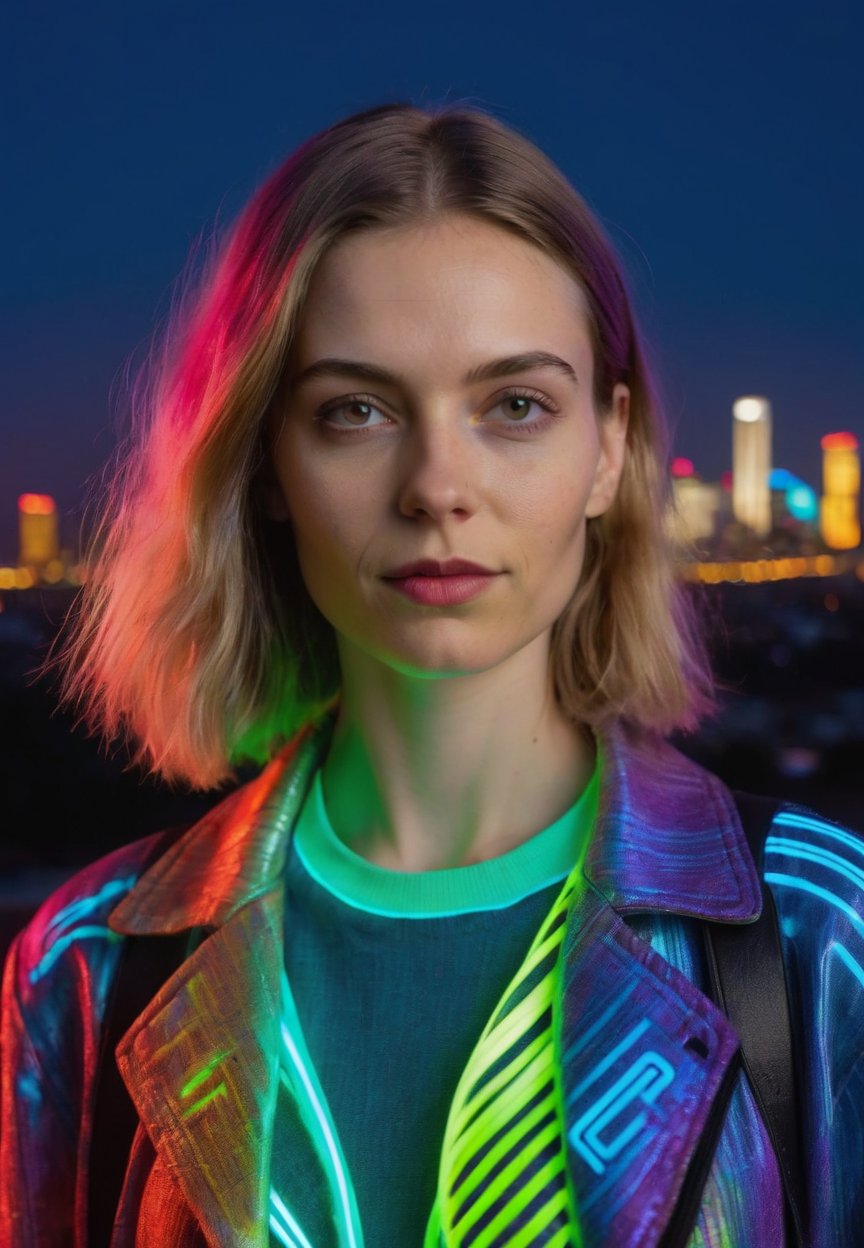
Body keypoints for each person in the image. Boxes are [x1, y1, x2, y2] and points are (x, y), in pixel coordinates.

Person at [1, 100, 861, 1248]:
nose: (436, 486)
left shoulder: (818, 934)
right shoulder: (87, 967)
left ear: (607, 449)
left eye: (515, 406)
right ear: (265, 462)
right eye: (355, 411)